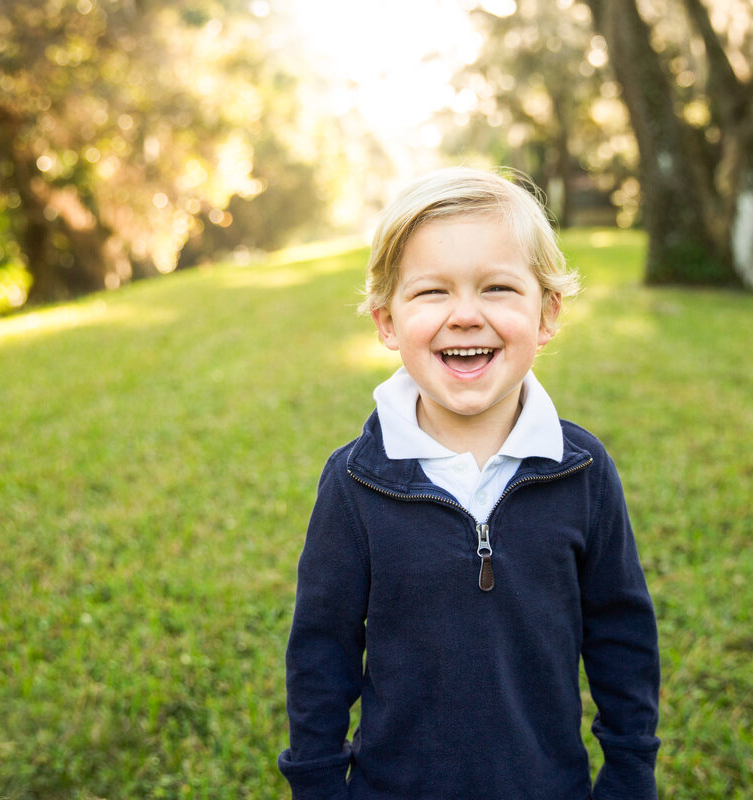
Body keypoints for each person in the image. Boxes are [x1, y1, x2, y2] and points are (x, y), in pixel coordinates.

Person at [278, 166, 660, 800]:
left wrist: (628, 773)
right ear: (387, 321)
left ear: (547, 313)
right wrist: (318, 784)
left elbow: (622, 637)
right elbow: (321, 654)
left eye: (499, 287)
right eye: (432, 292)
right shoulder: (354, 483)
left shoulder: (583, 471)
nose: (465, 316)